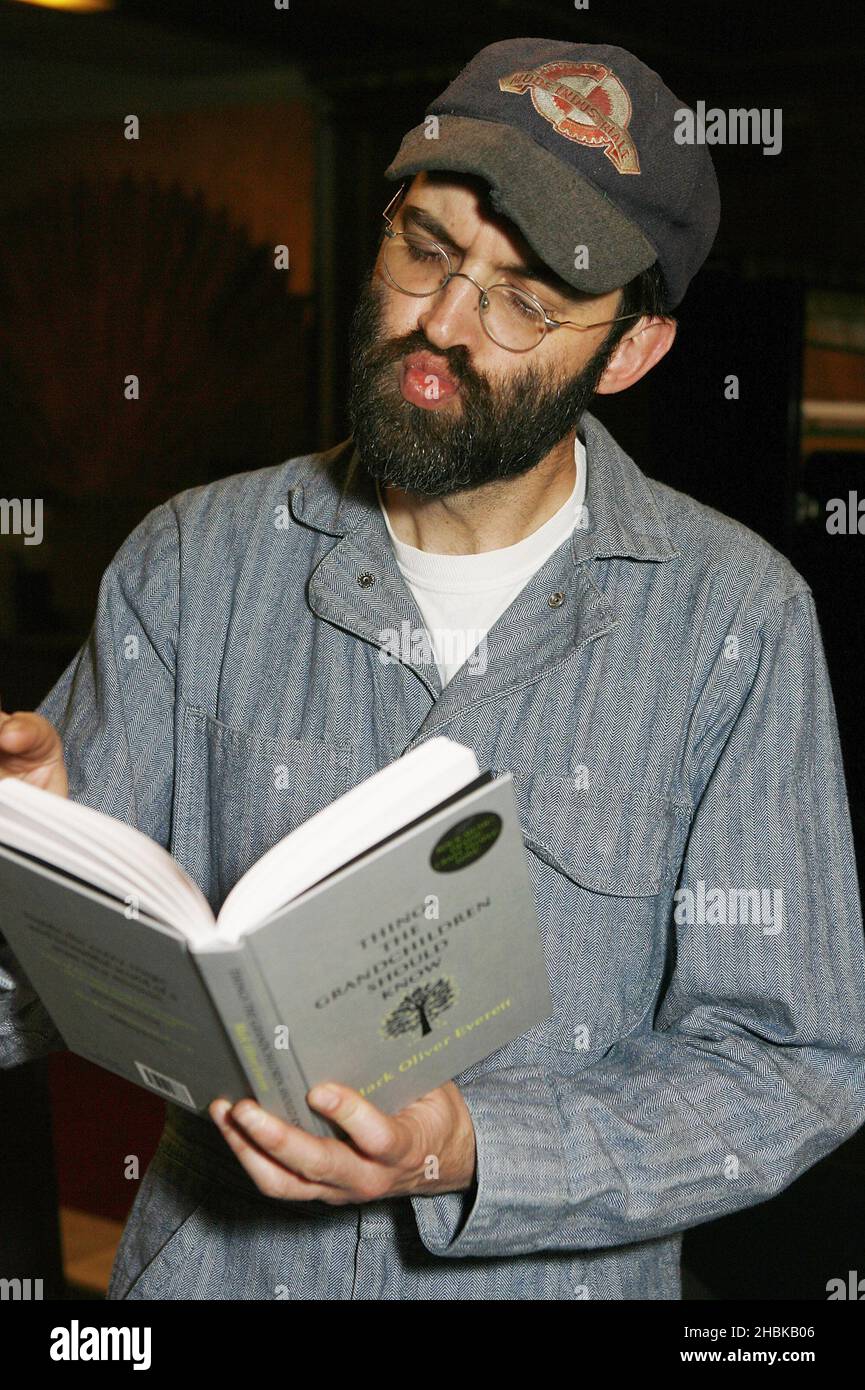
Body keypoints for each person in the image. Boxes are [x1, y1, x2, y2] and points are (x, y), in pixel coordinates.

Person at [2, 37, 864, 1302]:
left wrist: (472, 1148)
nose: (442, 325)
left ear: (628, 353)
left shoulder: (737, 623)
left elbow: (799, 1064)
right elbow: (35, 1003)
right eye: (426, 248)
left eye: (524, 299)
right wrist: (27, 854)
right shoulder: (193, 561)